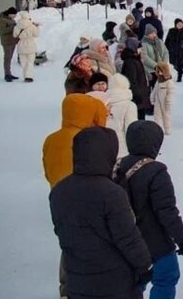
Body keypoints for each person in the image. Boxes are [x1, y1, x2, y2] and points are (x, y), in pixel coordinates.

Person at [49, 127, 153, 299]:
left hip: (78, 280)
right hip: (115, 284)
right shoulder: (112, 193)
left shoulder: (59, 191)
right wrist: (145, 266)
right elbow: (128, 237)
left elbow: (62, 231)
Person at [114, 120, 183, 299]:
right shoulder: (156, 171)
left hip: (125, 239)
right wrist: (181, 239)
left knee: (134, 281)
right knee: (166, 277)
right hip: (156, 242)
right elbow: (167, 211)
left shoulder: (117, 167)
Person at [43, 74, 111, 188]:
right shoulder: (89, 140)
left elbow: (48, 171)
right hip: (85, 193)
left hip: (58, 192)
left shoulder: (51, 139)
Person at [107, 72, 140, 156]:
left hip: (105, 146)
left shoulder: (104, 103)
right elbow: (131, 129)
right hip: (122, 149)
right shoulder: (129, 105)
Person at [120, 38, 151, 121]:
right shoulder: (130, 62)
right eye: (139, 48)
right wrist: (137, 94)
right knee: (138, 119)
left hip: (140, 95)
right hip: (136, 97)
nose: (141, 50)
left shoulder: (135, 59)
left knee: (141, 118)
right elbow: (131, 80)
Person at [12, 11, 39, 82]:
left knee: (23, 62)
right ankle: (29, 76)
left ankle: (25, 76)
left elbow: (14, 35)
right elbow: (36, 34)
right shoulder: (31, 25)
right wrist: (37, 27)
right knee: (30, 62)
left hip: (21, 45)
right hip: (30, 45)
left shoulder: (17, 26)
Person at [152, 62, 177, 134]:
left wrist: (168, 102)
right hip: (158, 102)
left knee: (166, 116)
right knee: (157, 116)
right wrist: (152, 97)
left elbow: (170, 93)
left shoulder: (169, 82)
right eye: (157, 71)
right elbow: (155, 90)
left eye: (160, 71)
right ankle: (158, 130)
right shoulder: (158, 81)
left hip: (165, 103)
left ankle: (167, 129)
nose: (159, 73)